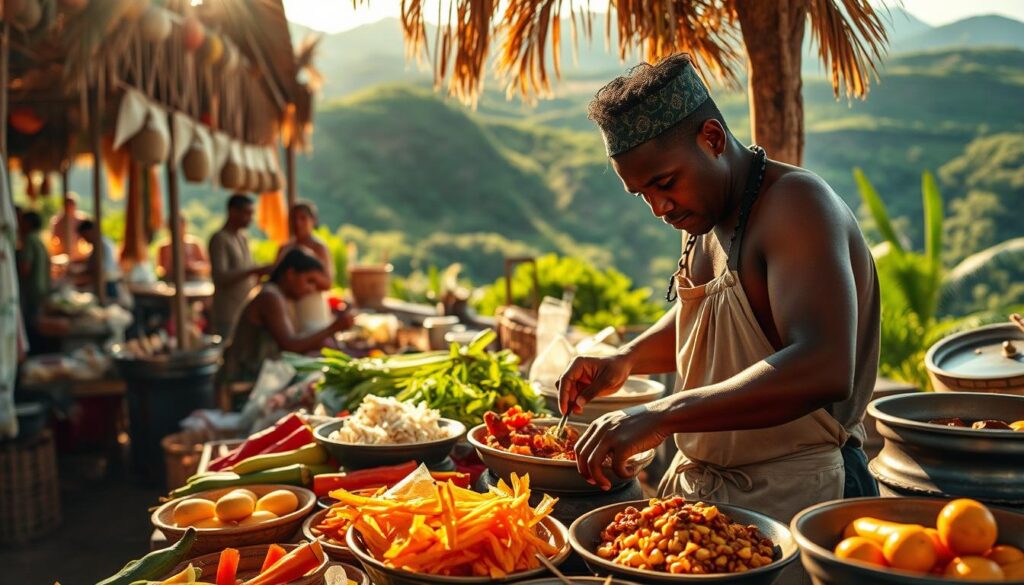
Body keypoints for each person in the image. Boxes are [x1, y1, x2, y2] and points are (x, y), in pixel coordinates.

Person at [556, 55, 881, 526]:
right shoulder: (704, 213)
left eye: (665, 183)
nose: (659, 207)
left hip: (805, 495)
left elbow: (824, 367)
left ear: (712, 138)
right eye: (642, 194)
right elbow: (720, 319)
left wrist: (662, 413)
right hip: (707, 501)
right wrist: (626, 358)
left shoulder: (795, 206)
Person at [216, 249, 353, 386]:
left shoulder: (280, 297)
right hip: (244, 378)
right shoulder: (270, 297)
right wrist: (333, 328)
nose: (311, 289)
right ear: (290, 274)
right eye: (309, 281)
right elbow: (290, 346)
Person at [208, 194, 270, 339]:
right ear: (233, 212)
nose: (250, 218)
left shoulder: (242, 237)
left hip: (245, 309)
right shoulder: (220, 238)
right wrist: (253, 270)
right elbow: (220, 277)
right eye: (246, 213)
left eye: (251, 214)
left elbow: (247, 267)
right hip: (228, 312)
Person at [17, 211, 52, 352]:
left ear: (28, 224)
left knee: (32, 324)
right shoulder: (38, 239)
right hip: (40, 288)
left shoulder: (29, 240)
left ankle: (35, 351)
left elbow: (25, 267)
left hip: (32, 290)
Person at [275, 201, 333, 285]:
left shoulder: (319, 248)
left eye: (303, 218)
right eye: (294, 219)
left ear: (313, 220)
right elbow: (275, 275)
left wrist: (306, 276)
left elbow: (328, 282)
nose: (298, 223)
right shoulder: (284, 248)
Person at [77, 219, 124, 302]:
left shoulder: (102, 245)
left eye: (84, 236)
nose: (84, 239)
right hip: (105, 281)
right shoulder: (99, 244)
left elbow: (103, 269)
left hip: (108, 284)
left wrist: (85, 277)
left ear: (90, 231)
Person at [49, 192, 89, 257]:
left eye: (71, 205)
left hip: (78, 255)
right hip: (63, 254)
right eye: (68, 205)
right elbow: (53, 239)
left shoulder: (81, 220)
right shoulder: (58, 221)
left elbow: (87, 238)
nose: (69, 207)